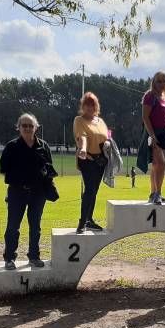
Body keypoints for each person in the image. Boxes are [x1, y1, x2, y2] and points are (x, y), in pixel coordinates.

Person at [0, 113, 54, 270]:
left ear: (36, 127)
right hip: (17, 192)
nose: (28, 128)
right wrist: (19, 176)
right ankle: (9, 258)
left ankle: (34, 256)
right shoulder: (12, 147)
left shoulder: (44, 146)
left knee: (35, 226)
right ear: (19, 127)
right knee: (13, 227)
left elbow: (49, 168)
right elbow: (4, 169)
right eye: (25, 125)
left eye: (31, 126)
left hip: (38, 193)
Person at [74, 92, 109, 234]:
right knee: (89, 190)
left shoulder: (100, 121)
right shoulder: (79, 120)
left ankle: (89, 219)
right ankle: (82, 222)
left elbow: (106, 136)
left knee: (94, 191)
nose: (89, 107)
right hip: (87, 159)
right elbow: (82, 137)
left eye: (92, 104)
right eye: (86, 105)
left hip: (101, 160)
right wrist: (82, 149)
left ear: (96, 106)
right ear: (83, 106)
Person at [137, 71, 165, 204]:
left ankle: (153, 193)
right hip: (153, 133)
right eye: (159, 81)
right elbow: (145, 117)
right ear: (154, 82)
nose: (162, 84)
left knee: (156, 166)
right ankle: (158, 193)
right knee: (161, 164)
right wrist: (152, 135)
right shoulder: (150, 95)